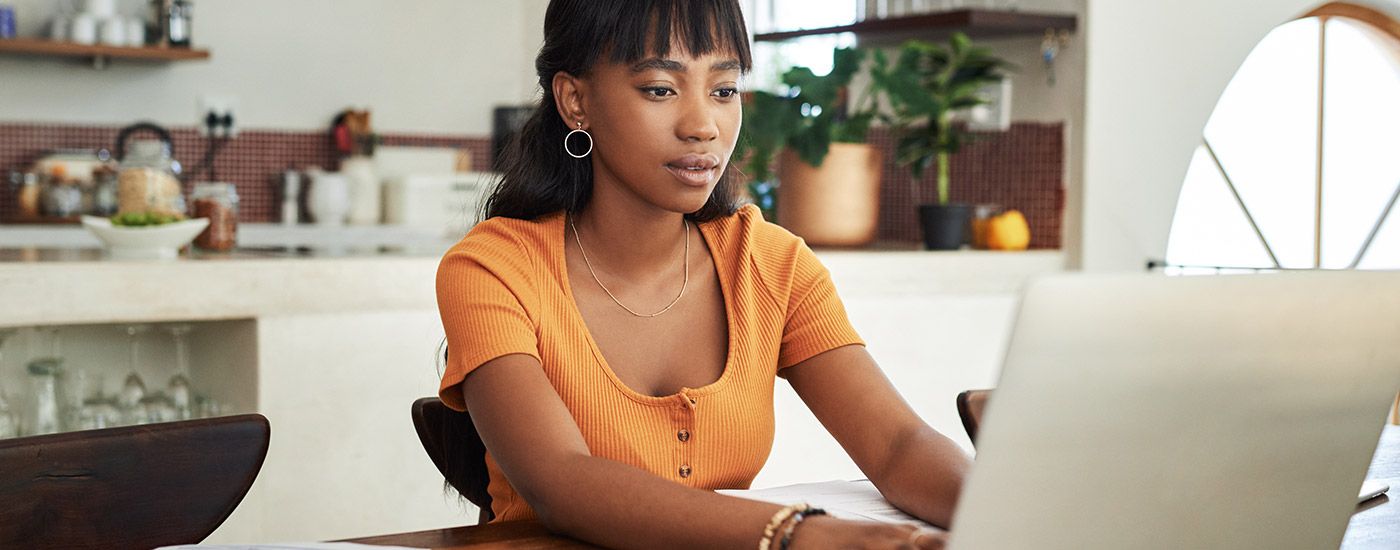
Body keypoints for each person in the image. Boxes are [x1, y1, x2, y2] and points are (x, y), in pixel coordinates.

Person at [435, 1, 970, 548]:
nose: (703, 127)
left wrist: (1010, 511)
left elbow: (898, 445)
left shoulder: (769, 263)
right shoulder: (493, 268)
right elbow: (561, 483)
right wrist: (798, 536)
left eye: (724, 90)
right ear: (576, 100)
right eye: (660, 89)